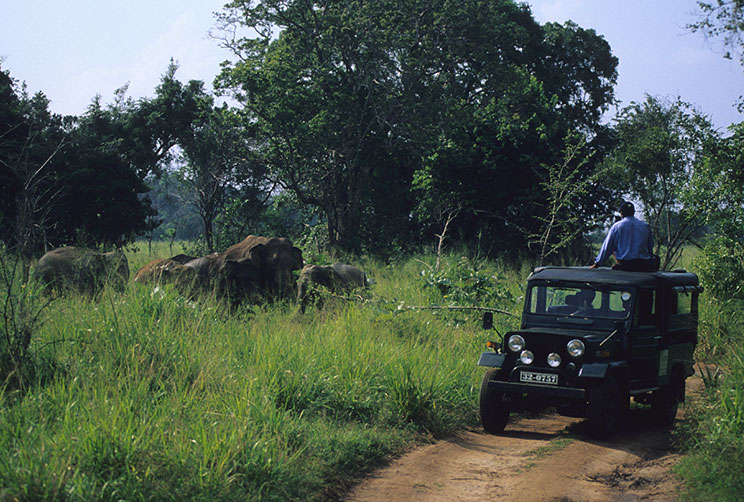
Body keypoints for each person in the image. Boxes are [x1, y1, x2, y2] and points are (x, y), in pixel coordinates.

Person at [590, 201, 657, 272]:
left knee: (614, 251)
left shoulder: (617, 226)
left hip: (626, 265)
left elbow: (607, 248)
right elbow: (650, 247)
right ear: (633, 212)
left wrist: (597, 263)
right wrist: (650, 263)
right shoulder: (645, 226)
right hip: (643, 265)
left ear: (621, 213)